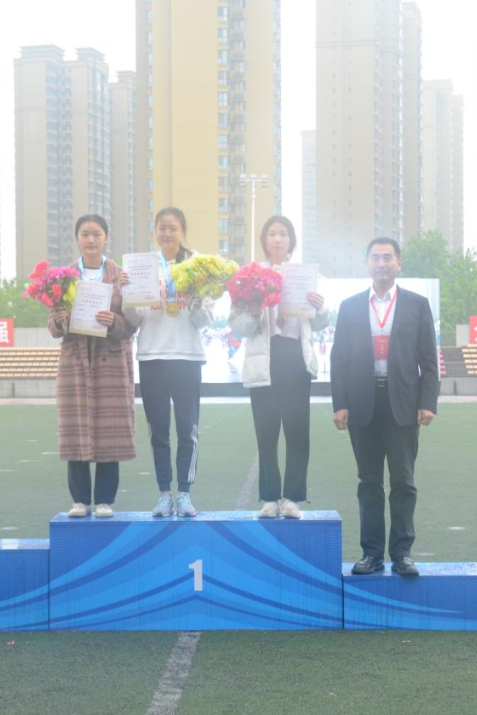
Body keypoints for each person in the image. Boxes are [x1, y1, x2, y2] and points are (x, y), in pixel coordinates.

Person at [330, 237, 439, 576]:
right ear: (367, 264)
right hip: (362, 403)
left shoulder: (417, 305)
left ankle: (402, 553)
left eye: (387, 257)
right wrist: (340, 403)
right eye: (375, 257)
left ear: (398, 263)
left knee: (403, 481)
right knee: (369, 482)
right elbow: (339, 358)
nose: (381, 263)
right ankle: (372, 554)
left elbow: (428, 359)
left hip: (403, 404)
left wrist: (428, 401)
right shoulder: (350, 306)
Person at [229, 216, 329, 519]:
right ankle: (270, 498)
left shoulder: (306, 276)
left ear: (291, 241)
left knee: (297, 431)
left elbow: (321, 323)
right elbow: (237, 327)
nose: (277, 239)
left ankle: (293, 498)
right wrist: (253, 312)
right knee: (266, 432)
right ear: (264, 240)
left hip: (295, 358)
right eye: (272, 233)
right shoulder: (249, 278)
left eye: (283, 234)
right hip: (264, 359)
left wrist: (320, 307)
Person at [122, 207, 213, 518]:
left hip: (187, 356)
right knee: (157, 430)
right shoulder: (143, 267)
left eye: (173, 228)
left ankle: (184, 493)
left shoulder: (198, 265)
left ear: (182, 231)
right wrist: (130, 296)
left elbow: (204, 320)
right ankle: (164, 494)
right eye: (162, 227)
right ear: (155, 231)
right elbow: (133, 319)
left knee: (188, 429)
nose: (167, 233)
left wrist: (198, 301)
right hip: (152, 356)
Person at [48, 214, 136, 518]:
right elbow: (53, 325)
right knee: (75, 429)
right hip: (75, 360)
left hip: (110, 361)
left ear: (106, 237)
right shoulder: (62, 278)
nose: (90, 239)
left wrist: (115, 322)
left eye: (96, 233)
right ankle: (80, 500)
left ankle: (105, 500)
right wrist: (59, 319)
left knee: (110, 430)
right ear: (77, 238)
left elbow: (132, 324)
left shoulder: (121, 276)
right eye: (85, 234)